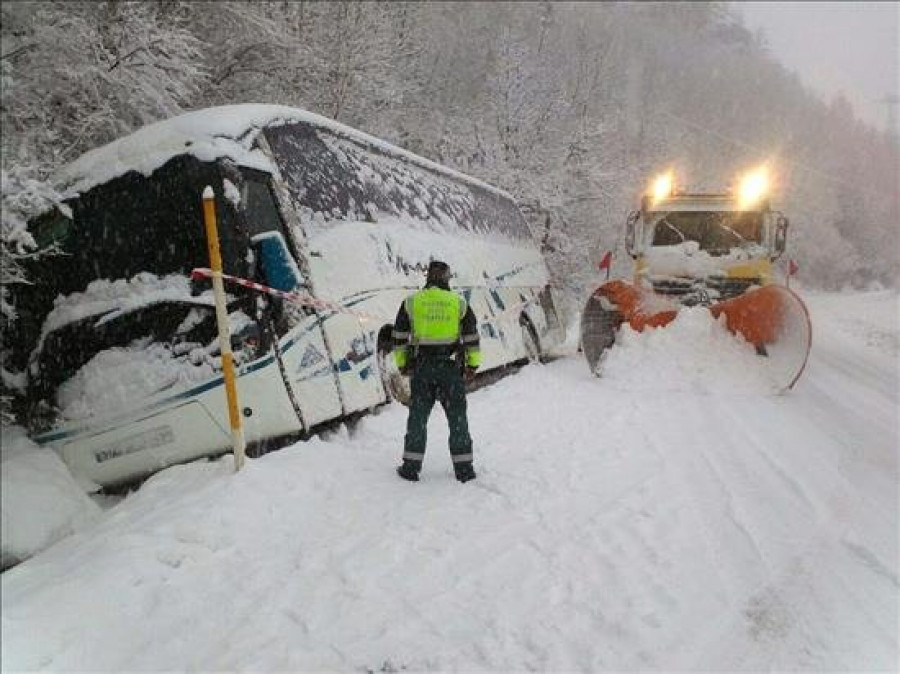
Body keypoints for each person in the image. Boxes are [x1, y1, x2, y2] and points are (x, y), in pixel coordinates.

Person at [392, 260, 480, 483]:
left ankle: (411, 467)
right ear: (447, 278)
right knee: (457, 417)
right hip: (450, 369)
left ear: (428, 277)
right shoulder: (458, 303)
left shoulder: (411, 303)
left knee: (418, 417)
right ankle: (464, 469)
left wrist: (403, 363)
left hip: (423, 369)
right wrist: (472, 365)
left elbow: (399, 338)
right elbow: (471, 337)